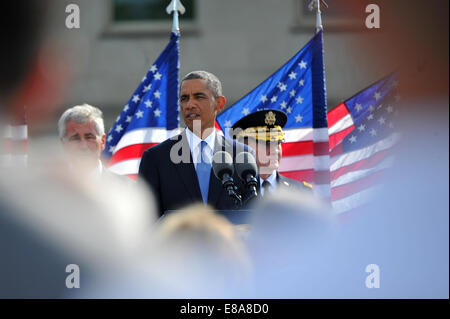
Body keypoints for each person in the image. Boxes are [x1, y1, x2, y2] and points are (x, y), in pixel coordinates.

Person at [138, 70, 258, 216]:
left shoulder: (243, 156)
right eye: (184, 98)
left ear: (219, 104)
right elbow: (146, 221)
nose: (189, 105)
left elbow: (252, 218)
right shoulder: (156, 158)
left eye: (199, 97)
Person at [231, 109, 312, 197]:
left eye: (277, 143)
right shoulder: (228, 192)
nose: (275, 151)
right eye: (266, 143)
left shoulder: (303, 193)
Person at [58, 104, 110, 178]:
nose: (83, 146)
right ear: (64, 144)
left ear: (103, 141)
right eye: (75, 138)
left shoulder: (126, 186)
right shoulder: (44, 187)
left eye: (89, 137)